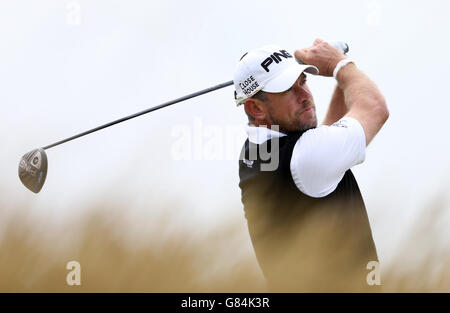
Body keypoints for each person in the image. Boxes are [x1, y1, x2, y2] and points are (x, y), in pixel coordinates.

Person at [235, 39, 389, 292]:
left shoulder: (256, 150)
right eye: (288, 90)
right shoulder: (305, 158)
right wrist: (340, 65)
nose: (305, 96)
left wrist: (340, 75)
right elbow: (375, 108)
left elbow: (324, 143)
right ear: (256, 108)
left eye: (303, 82)